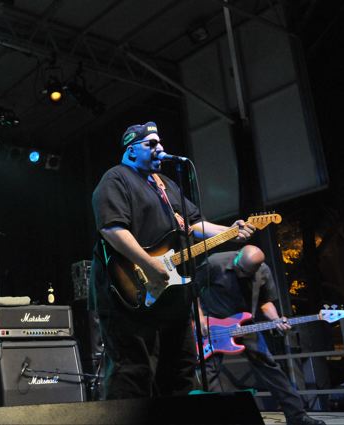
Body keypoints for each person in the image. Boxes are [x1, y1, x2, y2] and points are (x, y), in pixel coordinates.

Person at [89, 121, 255, 400]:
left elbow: (194, 224)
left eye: (160, 142)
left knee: (180, 365)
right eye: (151, 144)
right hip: (126, 289)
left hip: (170, 292)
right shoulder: (116, 178)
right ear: (131, 151)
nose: (160, 148)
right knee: (133, 368)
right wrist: (147, 263)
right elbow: (112, 228)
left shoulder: (166, 185)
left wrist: (231, 232)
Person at [197, 245, 325, 425]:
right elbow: (192, 290)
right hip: (211, 326)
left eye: (246, 272)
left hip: (244, 323)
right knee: (209, 373)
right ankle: (217, 418)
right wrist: (200, 317)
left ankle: (297, 416)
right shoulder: (215, 262)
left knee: (270, 367)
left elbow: (265, 303)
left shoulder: (263, 272)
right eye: (239, 269)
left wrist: (276, 320)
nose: (241, 274)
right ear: (237, 256)